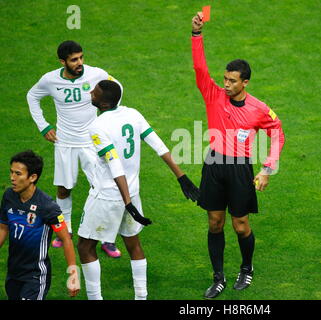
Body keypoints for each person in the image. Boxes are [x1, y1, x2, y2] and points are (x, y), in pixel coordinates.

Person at [191, 11, 286, 299]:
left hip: (240, 169)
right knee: (215, 222)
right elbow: (199, 69)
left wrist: (267, 168)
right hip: (214, 165)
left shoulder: (258, 108)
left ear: (245, 82)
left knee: (240, 224)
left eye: (232, 81)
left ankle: (246, 268)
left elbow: (277, 134)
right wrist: (197, 35)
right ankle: (218, 277)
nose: (226, 85)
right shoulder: (213, 94)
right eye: (225, 79)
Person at [77, 80, 199, 300]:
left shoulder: (97, 127)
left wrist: (127, 203)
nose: (91, 94)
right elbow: (158, 145)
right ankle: (141, 297)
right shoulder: (133, 114)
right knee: (133, 243)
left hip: (108, 195)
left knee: (85, 247)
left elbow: (114, 163)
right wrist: (182, 177)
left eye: (94, 92)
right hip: (132, 191)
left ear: (103, 103)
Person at [27, 40, 122, 257]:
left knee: (103, 189)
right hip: (65, 142)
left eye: (81, 57)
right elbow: (32, 96)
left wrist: (109, 115)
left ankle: (107, 238)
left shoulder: (96, 74)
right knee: (64, 188)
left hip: (92, 142)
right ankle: (66, 230)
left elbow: (117, 88)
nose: (80, 63)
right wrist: (44, 126)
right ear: (63, 62)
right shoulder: (50, 80)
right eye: (74, 60)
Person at [0, 150, 80, 300]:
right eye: (11, 172)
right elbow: (3, 227)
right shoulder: (9, 196)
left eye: (18, 174)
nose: (12, 178)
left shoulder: (47, 206)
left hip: (35, 276)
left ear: (32, 177)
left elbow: (66, 239)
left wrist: (73, 274)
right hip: (13, 272)